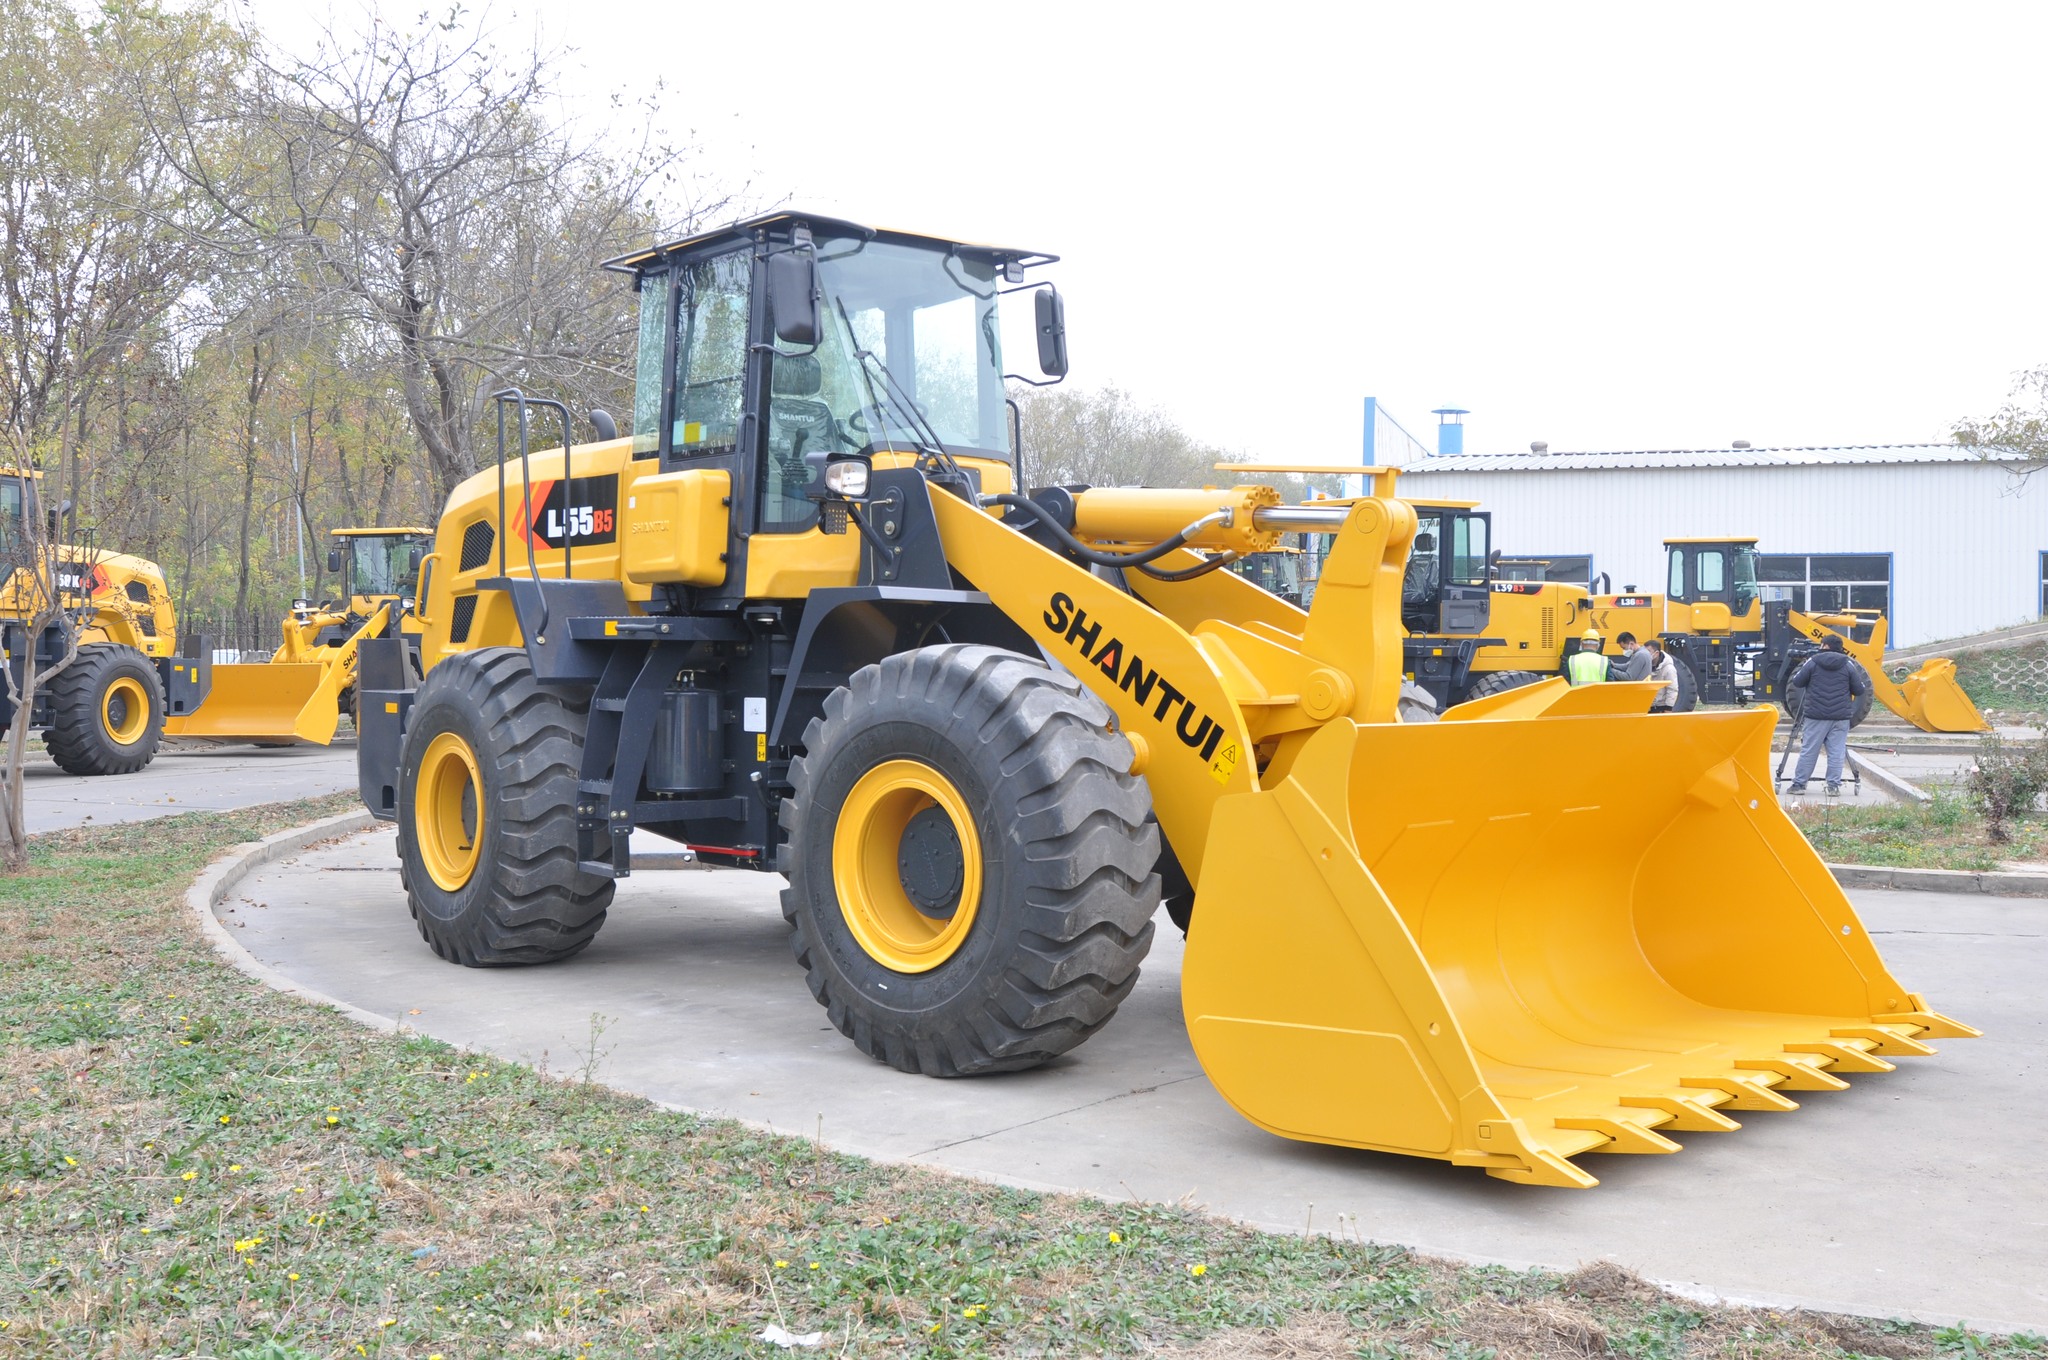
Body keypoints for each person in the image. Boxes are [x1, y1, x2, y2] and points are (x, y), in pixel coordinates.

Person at [1787, 633, 1872, 794]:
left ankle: (1799, 785)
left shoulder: (1813, 662)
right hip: (1840, 717)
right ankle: (1833, 786)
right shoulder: (1848, 664)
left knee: (1809, 750)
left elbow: (1797, 682)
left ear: (1825, 646)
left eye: (1821, 644)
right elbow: (1859, 689)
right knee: (1836, 752)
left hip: (1816, 715)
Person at [1644, 637, 1678, 712]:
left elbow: (1672, 689)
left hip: (1661, 708)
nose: (1645, 654)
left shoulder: (1669, 669)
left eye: (1648, 652)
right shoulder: (1645, 666)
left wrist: (1668, 708)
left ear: (1656, 653)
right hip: (1648, 707)